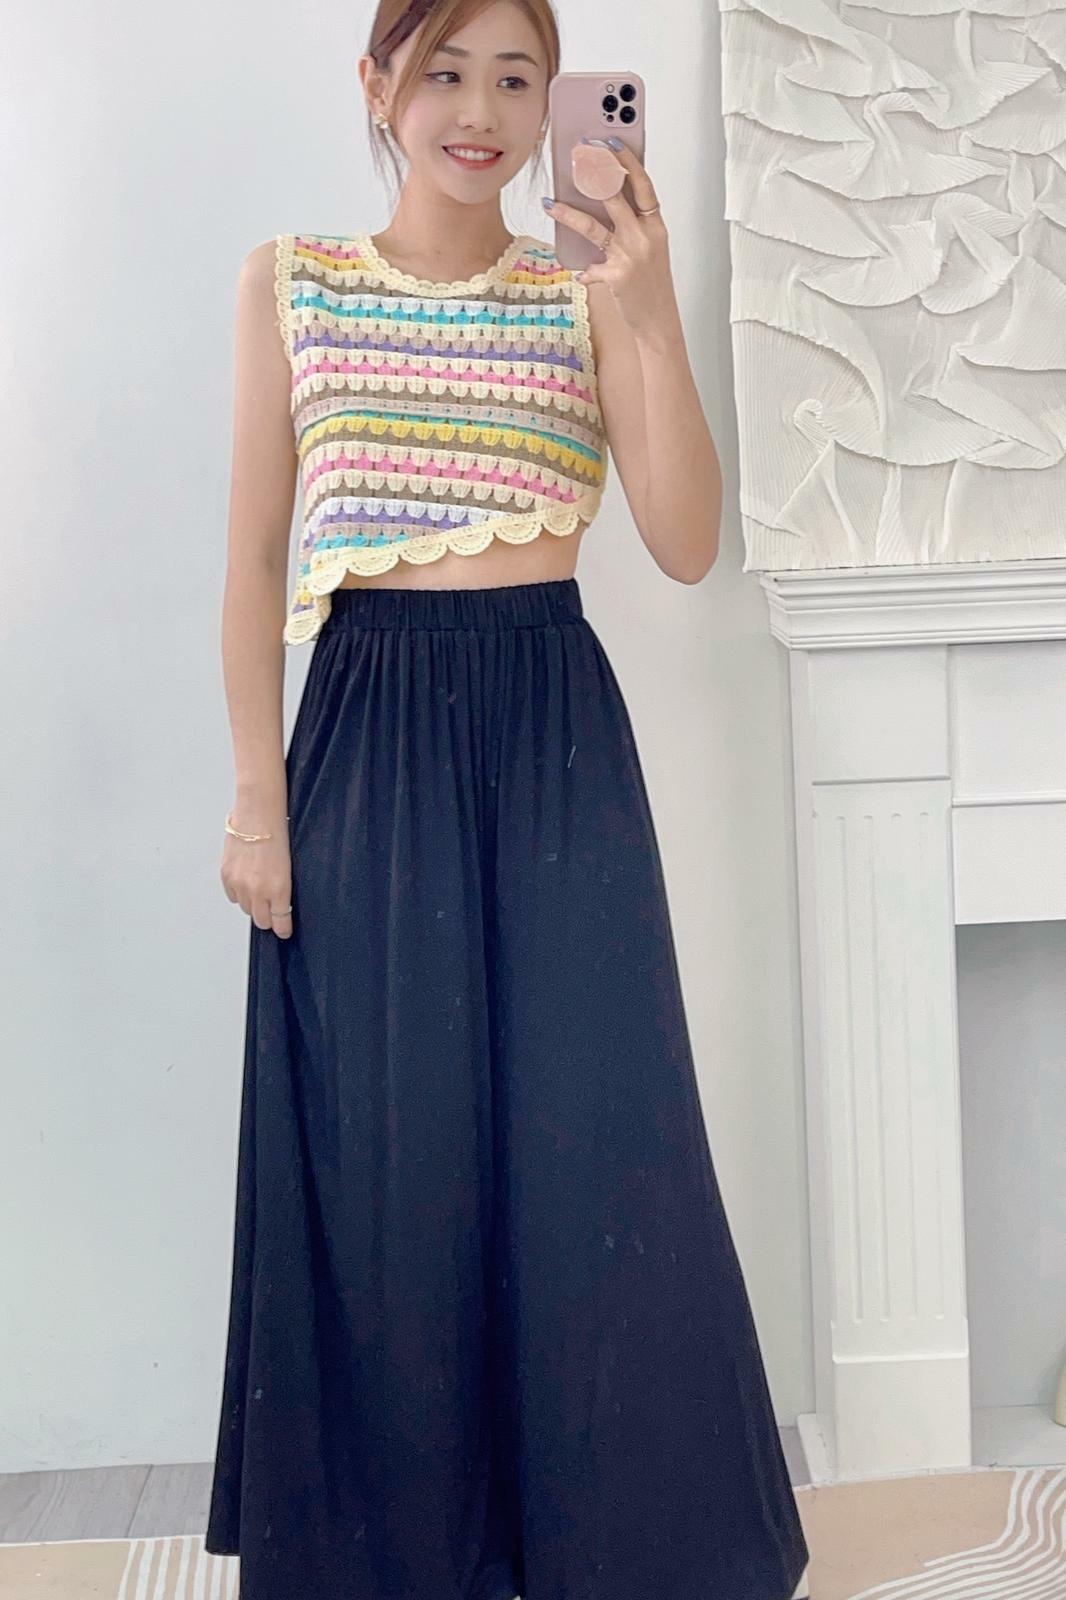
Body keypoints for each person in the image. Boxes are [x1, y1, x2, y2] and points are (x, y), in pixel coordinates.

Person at [204, 2, 812, 1598]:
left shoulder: (582, 292)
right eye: (444, 72)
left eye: (517, 78)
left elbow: (683, 539)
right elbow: (252, 560)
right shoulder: (290, 282)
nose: (478, 110)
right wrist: (257, 802)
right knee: (387, 1157)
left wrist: (647, 307)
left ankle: (630, 1553)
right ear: (378, 88)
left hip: (553, 732)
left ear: (556, 105)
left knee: (596, 1138)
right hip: (365, 734)